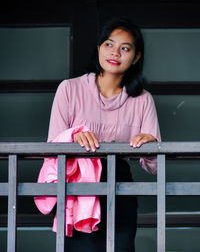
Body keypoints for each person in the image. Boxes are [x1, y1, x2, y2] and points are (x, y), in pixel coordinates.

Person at [46, 17, 161, 251]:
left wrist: (151, 144)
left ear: (136, 57)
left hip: (120, 185)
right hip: (78, 186)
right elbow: (51, 147)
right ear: (98, 48)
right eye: (109, 44)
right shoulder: (69, 89)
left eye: (125, 48)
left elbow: (154, 167)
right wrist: (72, 137)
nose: (115, 53)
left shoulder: (142, 99)